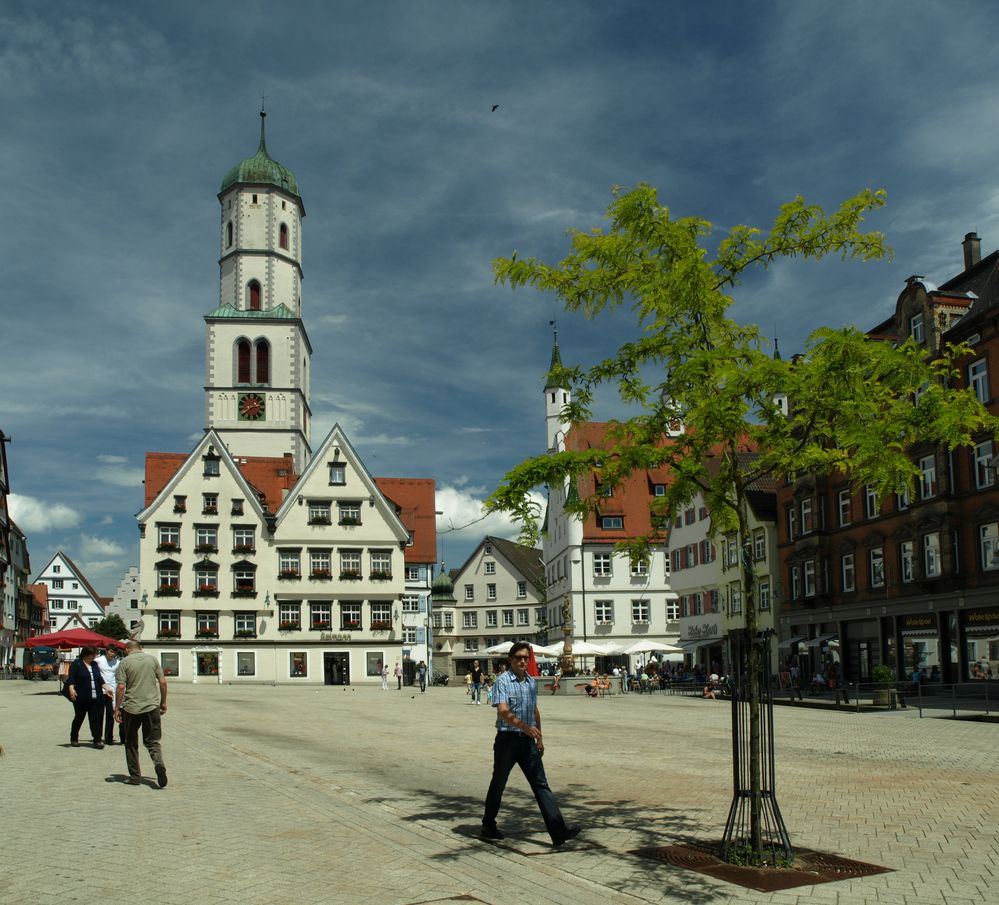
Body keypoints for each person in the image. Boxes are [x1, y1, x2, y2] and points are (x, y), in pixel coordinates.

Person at [481, 641, 580, 847]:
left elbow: (535, 711)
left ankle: (558, 831)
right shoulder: (502, 681)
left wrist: (539, 737)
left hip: (527, 743)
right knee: (498, 784)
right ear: (511, 660)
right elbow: (503, 711)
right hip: (507, 741)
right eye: (518, 658)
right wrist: (524, 727)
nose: (523, 661)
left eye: (526, 657)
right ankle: (488, 825)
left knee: (541, 785)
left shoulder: (530, 682)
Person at [114, 640, 168, 787]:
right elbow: (163, 682)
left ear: (126, 649)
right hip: (151, 706)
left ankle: (135, 777)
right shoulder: (152, 659)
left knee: (131, 743)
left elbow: (120, 687)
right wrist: (163, 702)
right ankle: (158, 763)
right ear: (141, 648)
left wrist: (117, 708)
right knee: (152, 742)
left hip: (131, 708)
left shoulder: (124, 663)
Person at [67, 646, 107, 748]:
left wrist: (106, 687)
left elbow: (99, 678)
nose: (94, 656)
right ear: (85, 655)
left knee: (95, 719)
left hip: (95, 696)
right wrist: (71, 689)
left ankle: (97, 740)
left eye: (95, 654)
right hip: (81, 696)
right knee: (79, 718)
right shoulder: (77, 664)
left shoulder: (94, 664)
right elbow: (71, 678)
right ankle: (74, 738)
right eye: (92, 654)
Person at [94, 647, 122, 745]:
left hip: (111, 691)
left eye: (114, 651)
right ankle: (98, 737)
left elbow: (118, 677)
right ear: (106, 651)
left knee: (110, 715)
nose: (112, 653)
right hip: (100, 691)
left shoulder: (117, 663)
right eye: (111, 651)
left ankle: (109, 737)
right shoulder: (98, 660)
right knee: (99, 715)